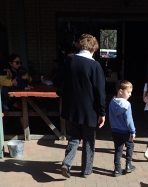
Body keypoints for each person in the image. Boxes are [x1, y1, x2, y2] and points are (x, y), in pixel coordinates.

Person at [57, 33, 106, 178]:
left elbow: (60, 82)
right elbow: (100, 92)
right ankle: (86, 170)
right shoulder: (95, 66)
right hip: (89, 110)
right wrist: (102, 112)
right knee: (89, 140)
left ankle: (67, 163)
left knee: (74, 137)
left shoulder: (69, 61)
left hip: (72, 109)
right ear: (93, 49)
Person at [109, 80, 136, 177]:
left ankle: (117, 170)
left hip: (115, 131)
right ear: (121, 91)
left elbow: (111, 116)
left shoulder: (112, 102)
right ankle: (128, 165)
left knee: (118, 150)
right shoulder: (127, 105)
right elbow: (129, 120)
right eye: (128, 92)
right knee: (130, 146)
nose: (130, 94)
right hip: (126, 131)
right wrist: (133, 130)